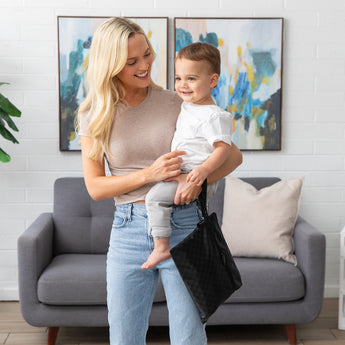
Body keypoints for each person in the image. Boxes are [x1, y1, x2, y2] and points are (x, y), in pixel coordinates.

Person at [77, 17, 242, 345]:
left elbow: (233, 157)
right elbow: (95, 187)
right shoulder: (94, 114)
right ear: (110, 65)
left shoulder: (178, 103)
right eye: (132, 61)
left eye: (147, 54)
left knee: (189, 337)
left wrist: (197, 182)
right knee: (125, 338)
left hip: (184, 226)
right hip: (127, 230)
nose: (145, 65)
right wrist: (149, 175)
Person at [142, 42, 233, 270]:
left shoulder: (214, 116)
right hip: (186, 172)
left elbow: (224, 149)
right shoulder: (188, 105)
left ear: (212, 81)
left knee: (153, 198)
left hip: (196, 174)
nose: (183, 85)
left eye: (191, 79)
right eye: (178, 78)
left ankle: (161, 247)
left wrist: (202, 172)